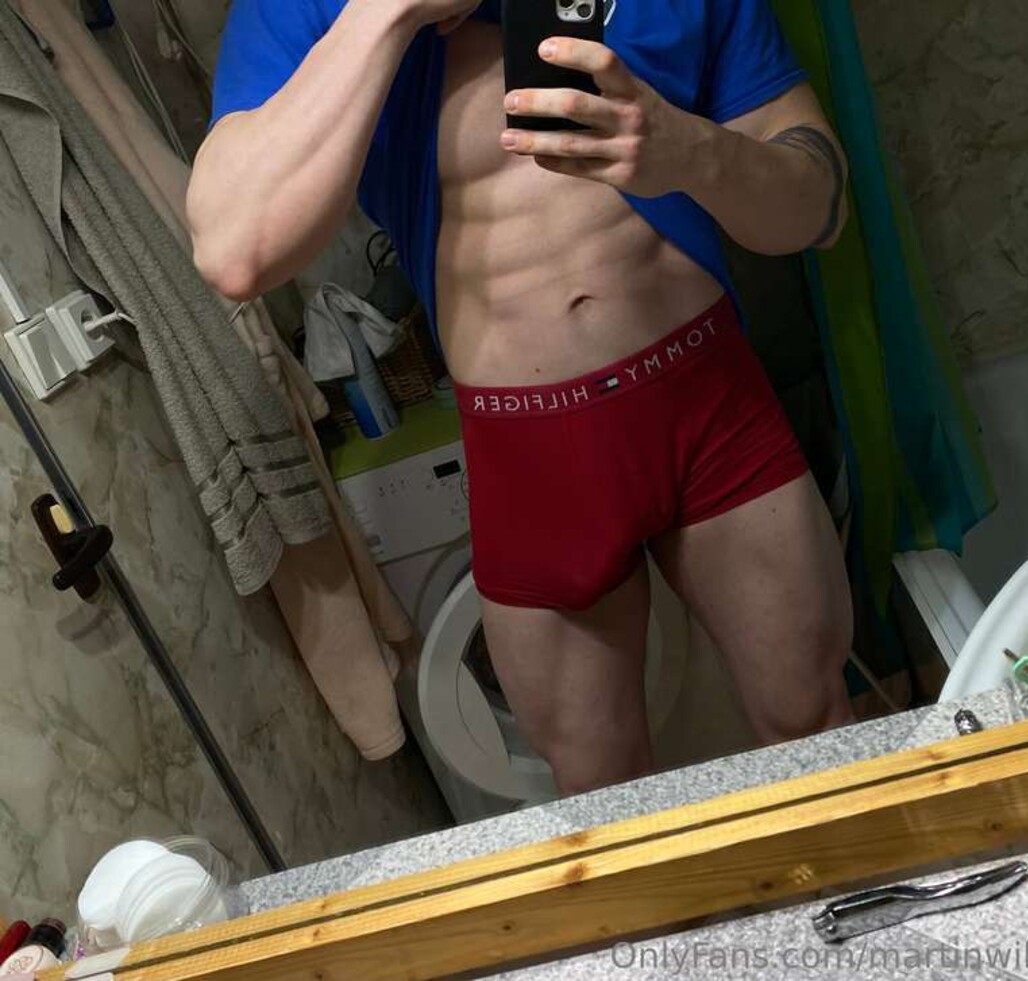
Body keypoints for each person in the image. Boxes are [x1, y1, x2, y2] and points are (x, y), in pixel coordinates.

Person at [189, 0, 855, 796]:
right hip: (533, 452)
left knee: (817, 726)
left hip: (706, 400)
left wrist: (692, 153)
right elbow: (233, 251)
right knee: (604, 799)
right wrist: (388, 12)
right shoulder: (306, 8)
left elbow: (821, 205)